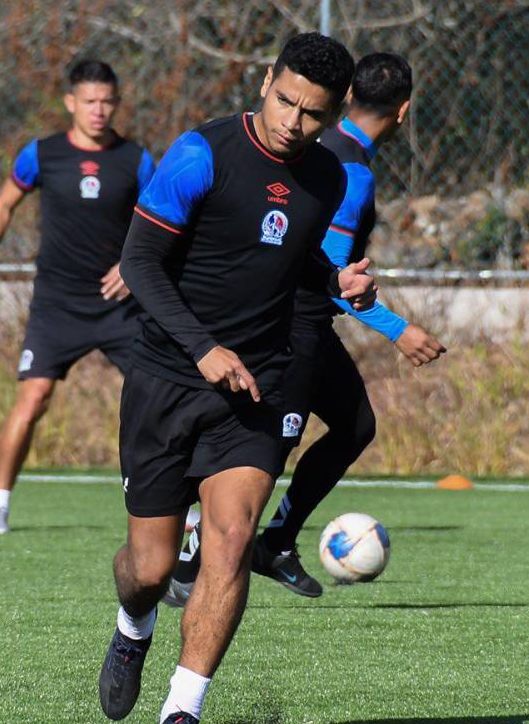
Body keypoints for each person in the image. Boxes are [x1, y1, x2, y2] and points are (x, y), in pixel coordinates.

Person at [97, 33, 374, 724]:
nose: (293, 122)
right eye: (285, 101)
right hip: (164, 382)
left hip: (254, 390)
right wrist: (202, 347)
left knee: (231, 539)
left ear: (332, 114)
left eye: (313, 114)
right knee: (150, 571)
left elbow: (292, 259)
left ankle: (181, 716)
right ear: (264, 83)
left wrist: (335, 283)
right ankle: (133, 627)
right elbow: (141, 262)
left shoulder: (329, 180)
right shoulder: (201, 155)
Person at [165, 52, 446, 603]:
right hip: (296, 326)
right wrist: (398, 330)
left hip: (299, 322)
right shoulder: (351, 173)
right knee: (269, 448)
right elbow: (332, 270)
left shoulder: (320, 153)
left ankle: (276, 542)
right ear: (403, 111)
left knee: (354, 425)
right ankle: (189, 555)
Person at [0, 60, 155, 534]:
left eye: (107, 101)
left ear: (117, 103)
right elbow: (3, 206)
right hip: (57, 305)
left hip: (120, 306)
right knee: (34, 396)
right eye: (89, 101)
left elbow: (159, 224)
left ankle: (183, 510)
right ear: (71, 103)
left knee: (160, 398)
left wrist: (133, 266)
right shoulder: (42, 155)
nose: (98, 110)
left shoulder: (136, 160)